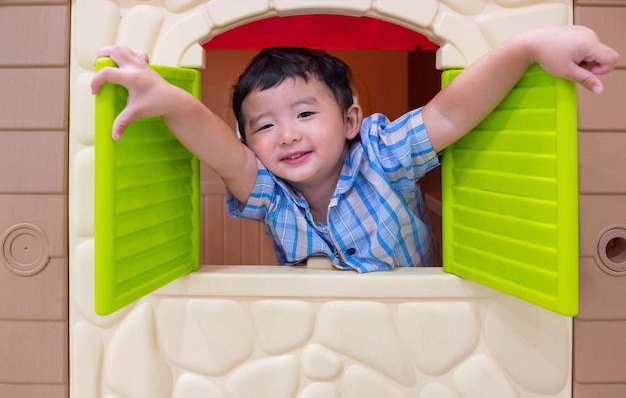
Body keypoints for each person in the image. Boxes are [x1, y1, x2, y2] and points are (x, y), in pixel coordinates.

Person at [91, 25, 618, 272]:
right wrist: (169, 99)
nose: (288, 135)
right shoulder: (270, 193)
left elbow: (452, 110)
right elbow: (219, 150)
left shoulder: (383, 154)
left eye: (303, 114)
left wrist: (526, 47)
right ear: (249, 140)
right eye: (264, 127)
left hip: (414, 320)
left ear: (349, 121)